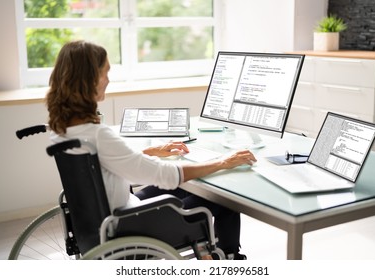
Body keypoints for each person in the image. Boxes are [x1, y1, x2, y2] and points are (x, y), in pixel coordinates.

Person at [46, 40, 257, 260]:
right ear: (88, 79)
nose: (108, 79)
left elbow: (104, 163)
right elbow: (167, 175)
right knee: (224, 199)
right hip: (130, 225)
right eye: (105, 73)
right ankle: (228, 260)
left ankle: (209, 255)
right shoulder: (97, 135)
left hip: (106, 219)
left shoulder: (62, 128)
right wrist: (223, 162)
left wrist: (152, 151)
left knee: (191, 189)